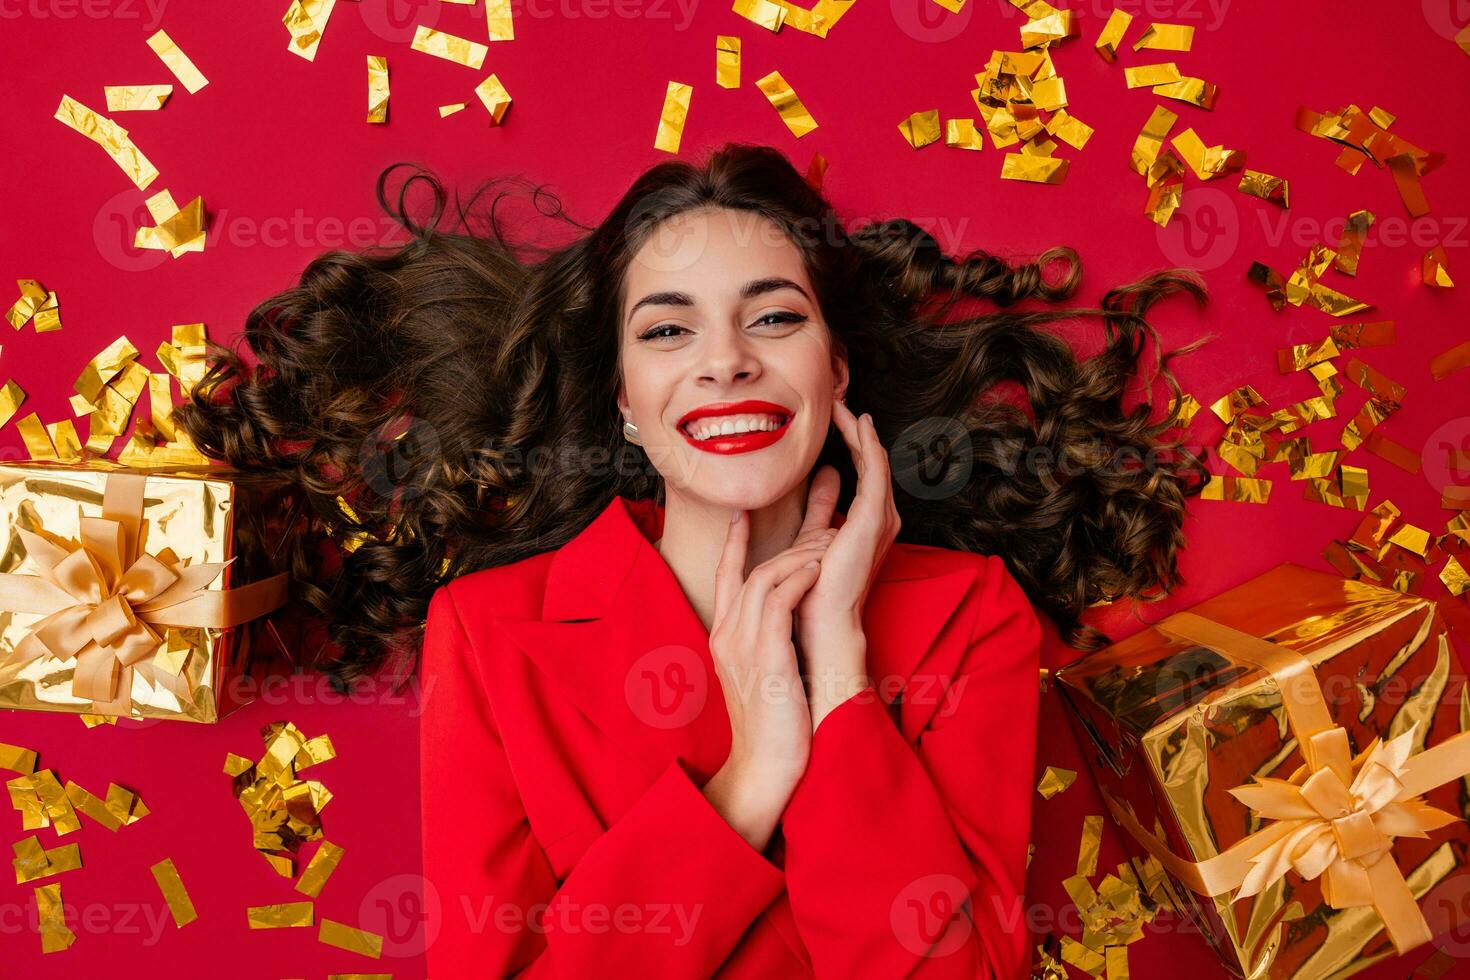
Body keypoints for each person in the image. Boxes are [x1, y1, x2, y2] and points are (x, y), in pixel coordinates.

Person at [175, 142, 1209, 977]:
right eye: (668, 329)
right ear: (625, 397)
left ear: (835, 367)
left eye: (774, 316)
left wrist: (841, 673)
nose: (725, 358)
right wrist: (752, 777)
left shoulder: (970, 615)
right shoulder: (489, 633)